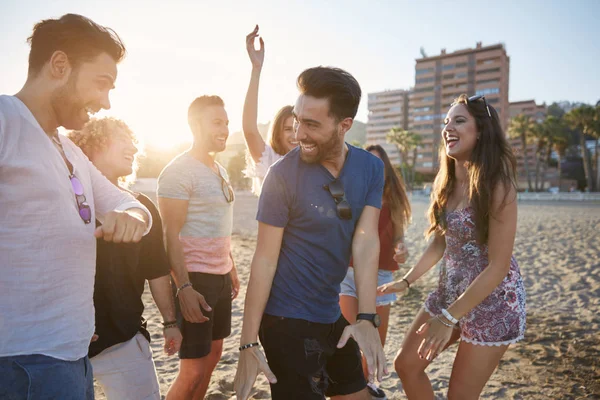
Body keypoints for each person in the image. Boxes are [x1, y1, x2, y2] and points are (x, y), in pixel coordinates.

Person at [0, 14, 152, 400]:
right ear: (59, 65)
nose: (105, 102)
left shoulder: (69, 149)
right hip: (20, 361)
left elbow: (130, 204)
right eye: (101, 84)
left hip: (72, 354)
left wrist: (131, 218)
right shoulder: (6, 122)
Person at [234, 66, 387, 400]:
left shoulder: (371, 168)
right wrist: (247, 342)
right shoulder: (282, 175)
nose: (298, 133)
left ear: (345, 125)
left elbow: (364, 241)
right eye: (297, 119)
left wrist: (366, 316)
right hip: (285, 322)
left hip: (330, 314)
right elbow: (263, 259)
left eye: (312, 124)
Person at [379, 94, 526, 400]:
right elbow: (440, 241)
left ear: (482, 130)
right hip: (449, 291)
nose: (448, 128)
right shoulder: (446, 181)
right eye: (446, 122)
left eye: (459, 120)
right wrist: (408, 280)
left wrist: (448, 319)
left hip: (493, 301)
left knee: (459, 395)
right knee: (406, 366)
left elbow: (498, 268)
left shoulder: (498, 185)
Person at [68, 117, 182, 400]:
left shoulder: (142, 207)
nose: (133, 147)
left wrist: (170, 322)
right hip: (67, 344)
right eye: (122, 139)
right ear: (92, 143)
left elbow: (156, 271)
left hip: (124, 339)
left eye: (134, 141)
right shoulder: (64, 201)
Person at [158, 95, 241, 400]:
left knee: (213, 356)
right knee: (191, 370)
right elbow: (170, 235)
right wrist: (184, 287)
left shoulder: (220, 170)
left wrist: (229, 266)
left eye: (226, 123)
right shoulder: (179, 171)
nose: (225, 129)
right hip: (195, 278)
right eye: (217, 122)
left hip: (219, 277)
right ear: (195, 124)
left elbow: (219, 224)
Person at [339, 144, 411, 400]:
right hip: (347, 274)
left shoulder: (394, 199)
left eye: (378, 163)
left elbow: (399, 235)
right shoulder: (350, 193)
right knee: (350, 339)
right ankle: (355, 388)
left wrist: (402, 247)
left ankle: (372, 384)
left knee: (375, 340)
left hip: (381, 275)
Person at [242, 25, 296, 195]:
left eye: (297, 128)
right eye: (287, 129)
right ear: (277, 132)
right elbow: (250, 129)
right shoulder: (271, 158)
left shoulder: (315, 162)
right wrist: (256, 69)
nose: (294, 135)